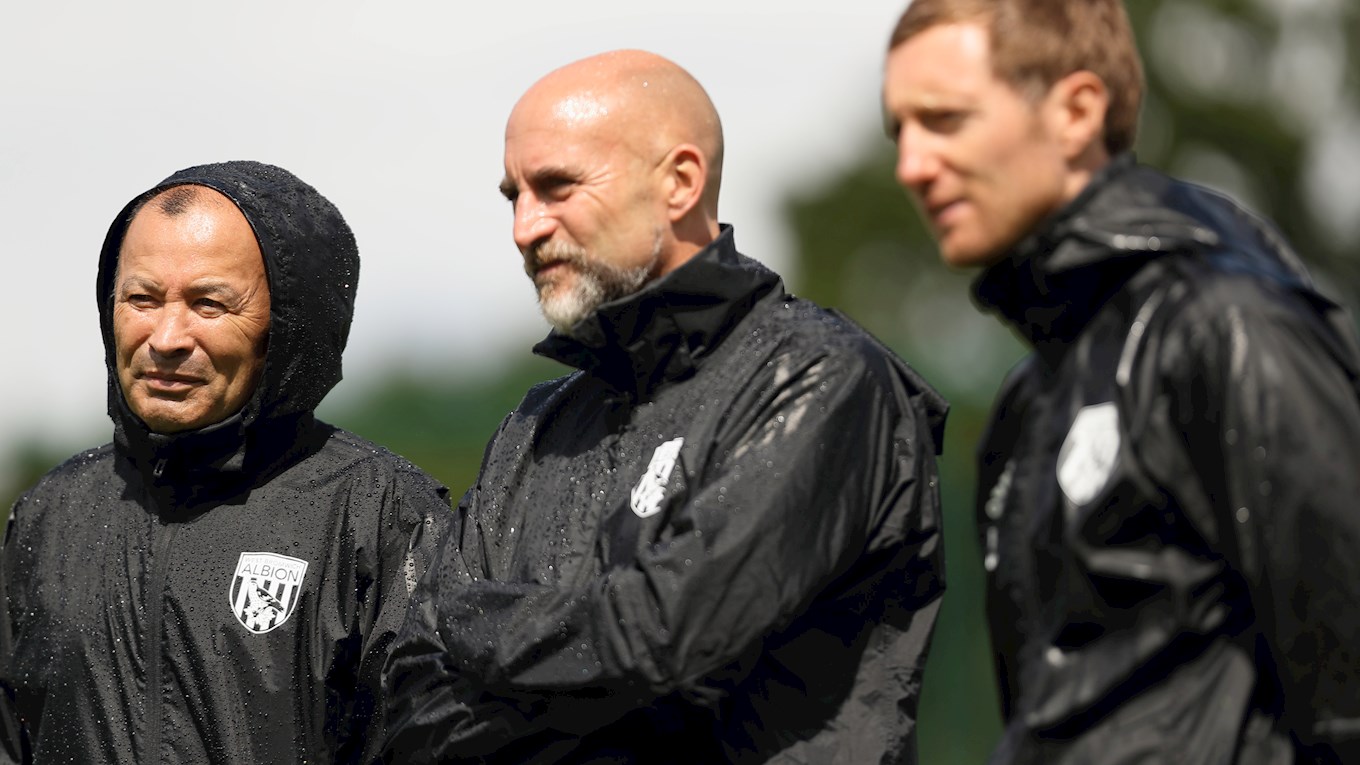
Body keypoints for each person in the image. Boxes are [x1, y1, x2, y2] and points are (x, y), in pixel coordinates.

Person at [383, 49, 948, 763]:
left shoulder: (821, 380)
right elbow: (406, 691)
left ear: (681, 182)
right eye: (514, 196)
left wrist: (470, 623)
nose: (526, 228)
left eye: (556, 187)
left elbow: (666, 641)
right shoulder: (536, 426)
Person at [882, 1, 1360, 762]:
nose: (911, 164)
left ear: (1076, 111)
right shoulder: (1028, 402)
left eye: (944, 120)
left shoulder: (1225, 327)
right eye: (898, 131)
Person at [0, 161, 451, 764]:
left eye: (208, 304)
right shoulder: (49, 516)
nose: (166, 337)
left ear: (289, 328)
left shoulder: (379, 515)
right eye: (142, 298)